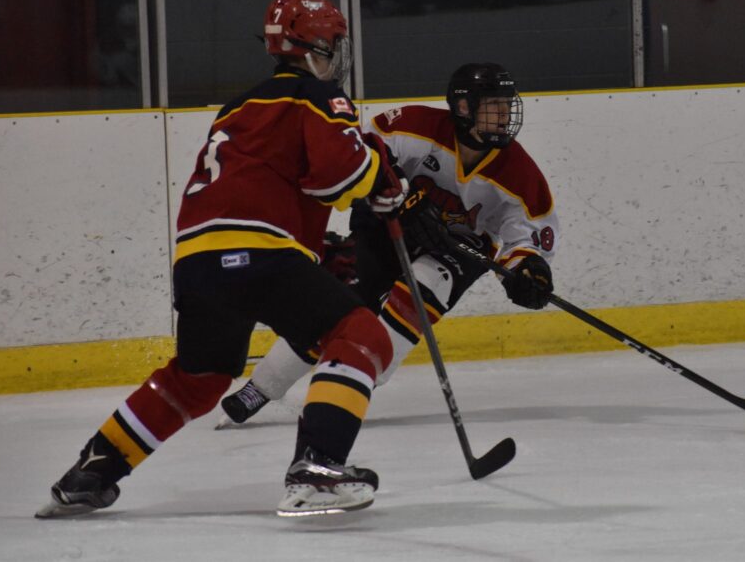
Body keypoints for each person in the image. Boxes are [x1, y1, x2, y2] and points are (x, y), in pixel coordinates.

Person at [36, 0, 412, 519]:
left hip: (198, 260)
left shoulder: (237, 108)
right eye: (334, 44)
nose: (337, 55)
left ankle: (90, 473)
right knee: (362, 334)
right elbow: (336, 176)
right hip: (260, 251)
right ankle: (319, 469)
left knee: (198, 379)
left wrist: (314, 239)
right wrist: (380, 175)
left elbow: (273, 181)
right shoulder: (317, 96)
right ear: (314, 48)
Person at [216, 62, 558, 428]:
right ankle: (263, 387)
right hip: (388, 221)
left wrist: (527, 271)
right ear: (463, 107)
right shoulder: (416, 126)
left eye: (508, 106)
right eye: (495, 106)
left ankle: (345, 386)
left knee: (419, 297)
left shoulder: (519, 172)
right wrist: (401, 194)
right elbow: (361, 148)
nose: (505, 115)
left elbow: (529, 236)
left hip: (459, 249)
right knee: (343, 305)